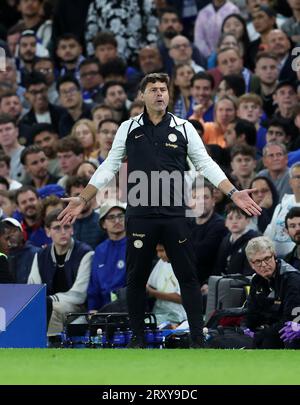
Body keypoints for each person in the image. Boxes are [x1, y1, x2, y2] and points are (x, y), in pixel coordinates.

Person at [58, 73, 261, 349]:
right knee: (136, 277)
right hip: (140, 213)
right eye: (153, 89)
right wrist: (83, 198)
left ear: (169, 95)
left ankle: (198, 339)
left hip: (176, 213)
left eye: (163, 90)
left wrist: (233, 192)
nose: (159, 94)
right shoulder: (128, 128)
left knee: (187, 276)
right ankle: (138, 339)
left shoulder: (184, 127)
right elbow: (109, 166)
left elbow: (206, 165)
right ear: (142, 95)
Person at [28, 208, 94, 334]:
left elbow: (79, 295)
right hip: (48, 304)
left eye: (67, 227)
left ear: (72, 229)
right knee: (35, 309)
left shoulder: (85, 253)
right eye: (57, 228)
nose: (63, 232)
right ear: (48, 232)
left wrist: (49, 301)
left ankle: (52, 347)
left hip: (78, 308)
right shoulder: (41, 255)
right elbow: (33, 289)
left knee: (53, 309)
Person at [245, 236, 300, 349]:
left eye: (267, 258)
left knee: (287, 333)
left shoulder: (291, 278)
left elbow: (290, 318)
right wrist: (247, 329)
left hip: (293, 326)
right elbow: (252, 313)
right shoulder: (257, 280)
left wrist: (260, 334)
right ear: (251, 264)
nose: (264, 265)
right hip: (272, 328)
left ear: (274, 255)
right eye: (258, 261)